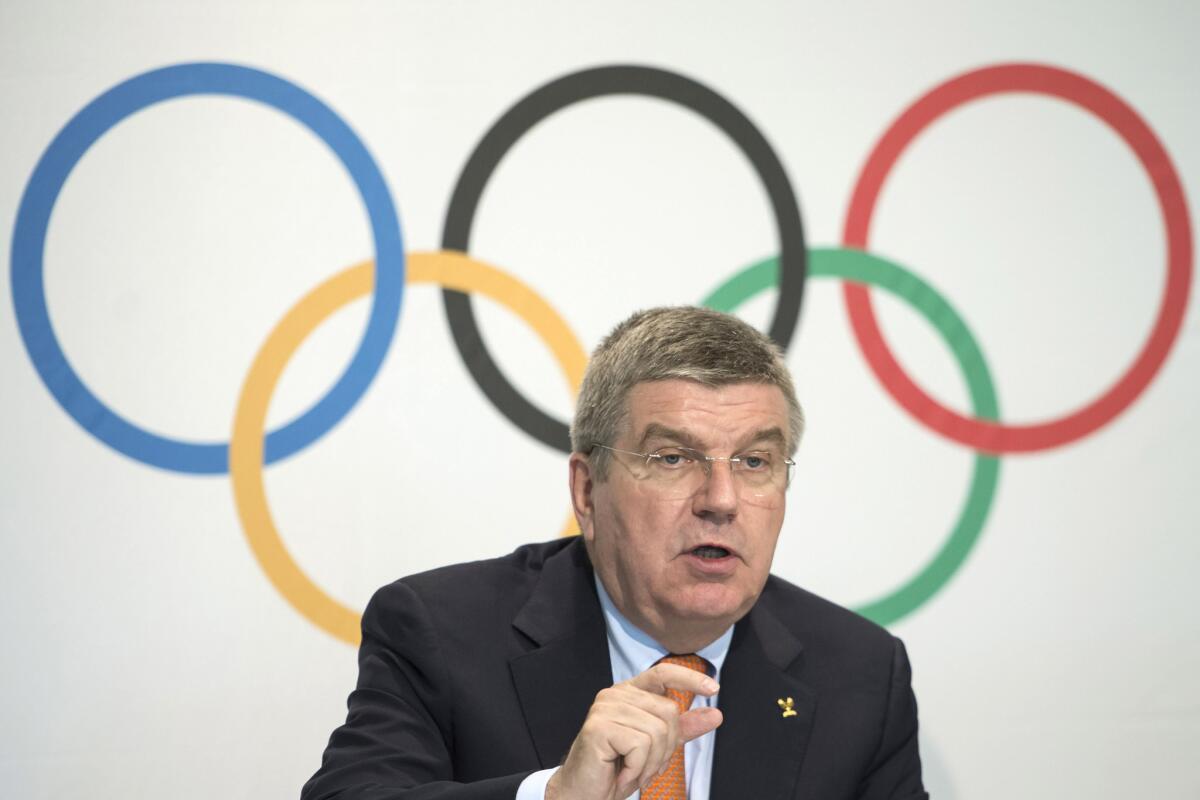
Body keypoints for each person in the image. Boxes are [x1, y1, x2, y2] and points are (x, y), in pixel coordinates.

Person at [302, 306, 928, 800]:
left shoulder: (863, 675)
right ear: (587, 491)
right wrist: (552, 797)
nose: (721, 499)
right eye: (673, 458)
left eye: (754, 461)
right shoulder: (439, 630)